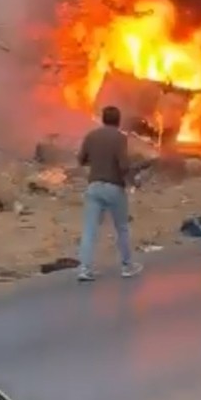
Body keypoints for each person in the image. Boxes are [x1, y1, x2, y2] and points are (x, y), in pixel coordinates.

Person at [76, 105, 142, 283]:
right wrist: (133, 181)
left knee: (89, 230)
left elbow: (81, 159)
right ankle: (127, 266)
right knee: (121, 228)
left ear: (103, 119)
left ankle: (84, 269)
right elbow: (123, 165)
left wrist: (96, 160)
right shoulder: (120, 138)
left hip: (94, 187)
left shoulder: (91, 136)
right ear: (118, 121)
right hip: (113, 187)